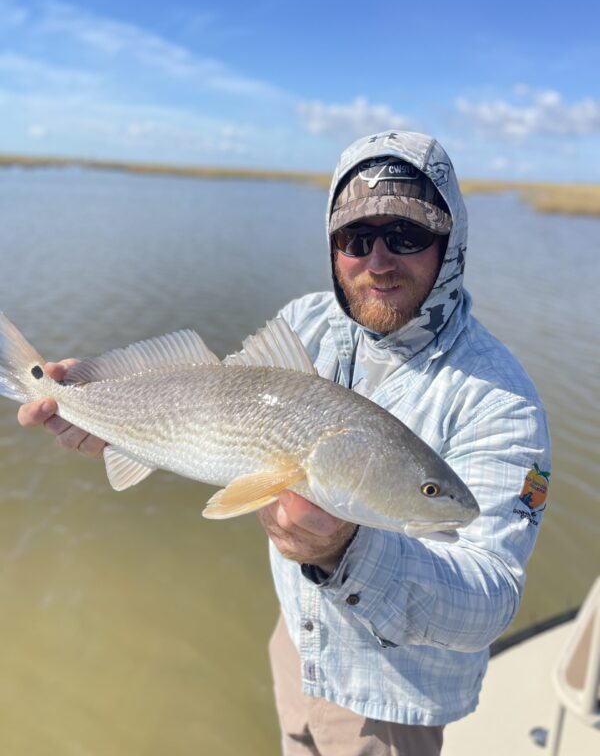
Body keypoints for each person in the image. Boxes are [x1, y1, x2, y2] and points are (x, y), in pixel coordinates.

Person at [18, 130, 551, 755]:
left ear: (450, 241)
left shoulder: (502, 401)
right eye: (357, 238)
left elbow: (489, 599)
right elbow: (208, 407)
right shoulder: (309, 322)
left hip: (387, 703)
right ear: (333, 245)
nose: (378, 261)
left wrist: (344, 546)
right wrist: (111, 415)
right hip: (295, 646)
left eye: (406, 236)